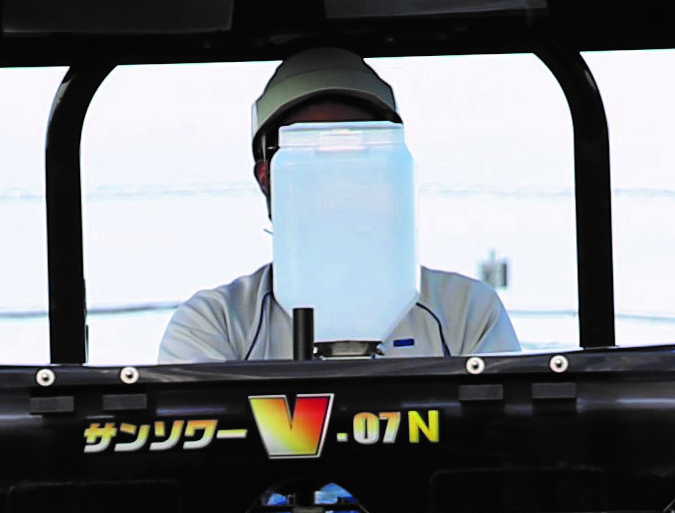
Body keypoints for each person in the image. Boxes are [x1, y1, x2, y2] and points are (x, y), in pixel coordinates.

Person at [158, 47, 520, 363]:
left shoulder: (467, 313)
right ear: (266, 176)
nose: (334, 179)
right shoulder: (215, 324)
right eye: (308, 151)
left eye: (357, 151)